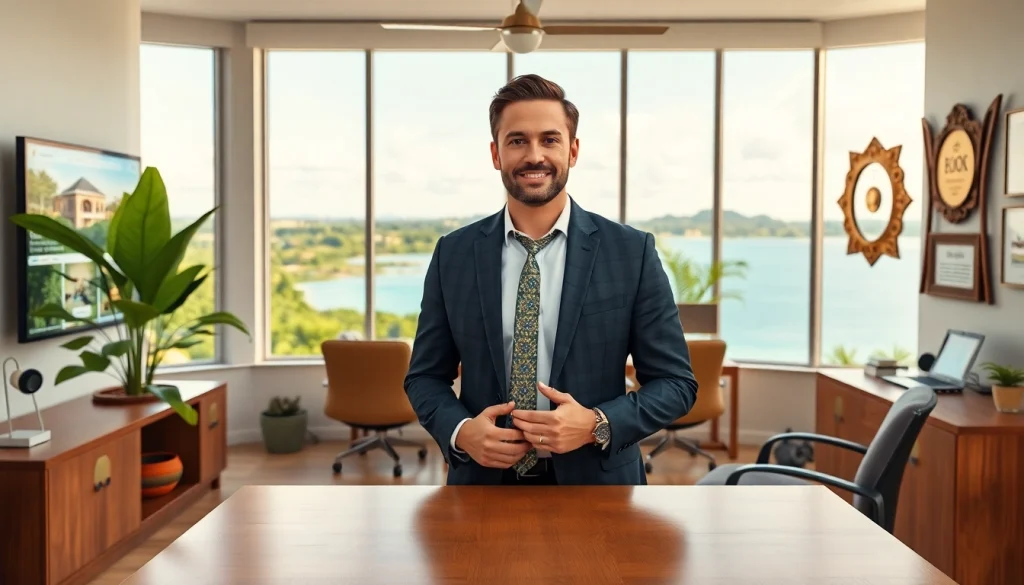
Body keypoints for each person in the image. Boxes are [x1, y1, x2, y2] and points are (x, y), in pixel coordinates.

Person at [403, 73, 698, 486]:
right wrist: (461, 431)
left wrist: (597, 423)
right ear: (496, 153)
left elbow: (675, 384)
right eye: (517, 140)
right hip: (482, 487)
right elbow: (425, 377)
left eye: (550, 139)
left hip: (598, 488)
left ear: (573, 150)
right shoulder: (453, 254)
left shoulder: (631, 253)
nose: (534, 155)